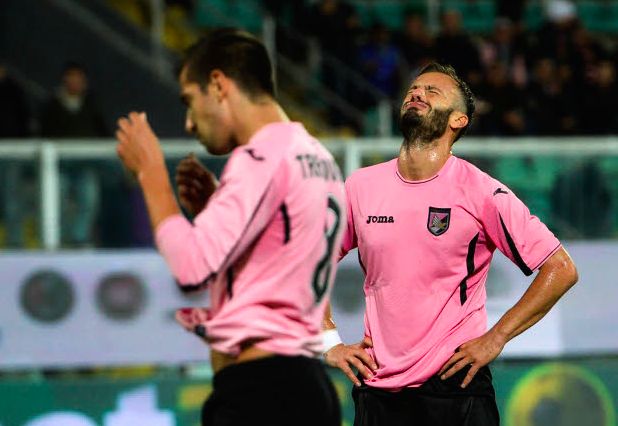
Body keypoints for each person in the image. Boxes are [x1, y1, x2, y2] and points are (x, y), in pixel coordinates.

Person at [322, 63, 579, 426]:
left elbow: (561, 268)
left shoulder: (480, 191)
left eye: (432, 91)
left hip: (457, 388)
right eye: (413, 89)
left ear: (459, 120)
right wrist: (327, 340)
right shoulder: (360, 187)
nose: (417, 93)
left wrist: (496, 337)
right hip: (378, 391)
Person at [115, 28, 344, 426]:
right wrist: (215, 207)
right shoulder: (317, 156)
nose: (189, 123)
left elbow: (190, 267)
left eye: (190, 100)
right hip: (307, 387)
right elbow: (277, 253)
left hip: (261, 392)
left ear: (219, 85)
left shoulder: (260, 156)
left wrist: (151, 173)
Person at [40, 62, 108, 247]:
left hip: (85, 164)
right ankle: (57, 240)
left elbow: (102, 132)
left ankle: (80, 238)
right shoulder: (52, 105)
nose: (76, 82)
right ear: (65, 80)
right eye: (72, 78)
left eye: (79, 79)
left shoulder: (92, 104)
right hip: (58, 165)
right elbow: (44, 134)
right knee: (56, 200)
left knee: (89, 198)